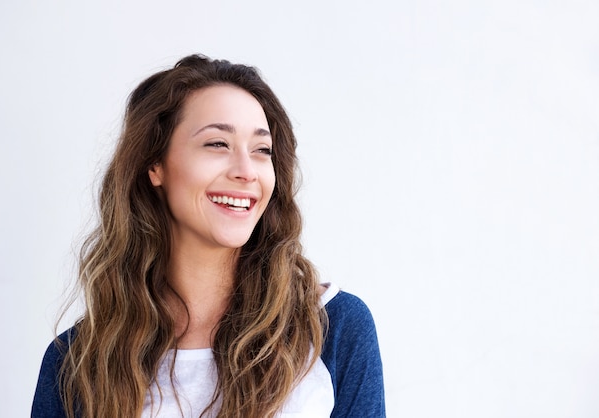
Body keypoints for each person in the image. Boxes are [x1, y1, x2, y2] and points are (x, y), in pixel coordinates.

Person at [31, 54, 385, 418]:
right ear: (155, 165)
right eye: (218, 144)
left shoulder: (333, 327)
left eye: (262, 151)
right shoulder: (77, 359)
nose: (246, 171)